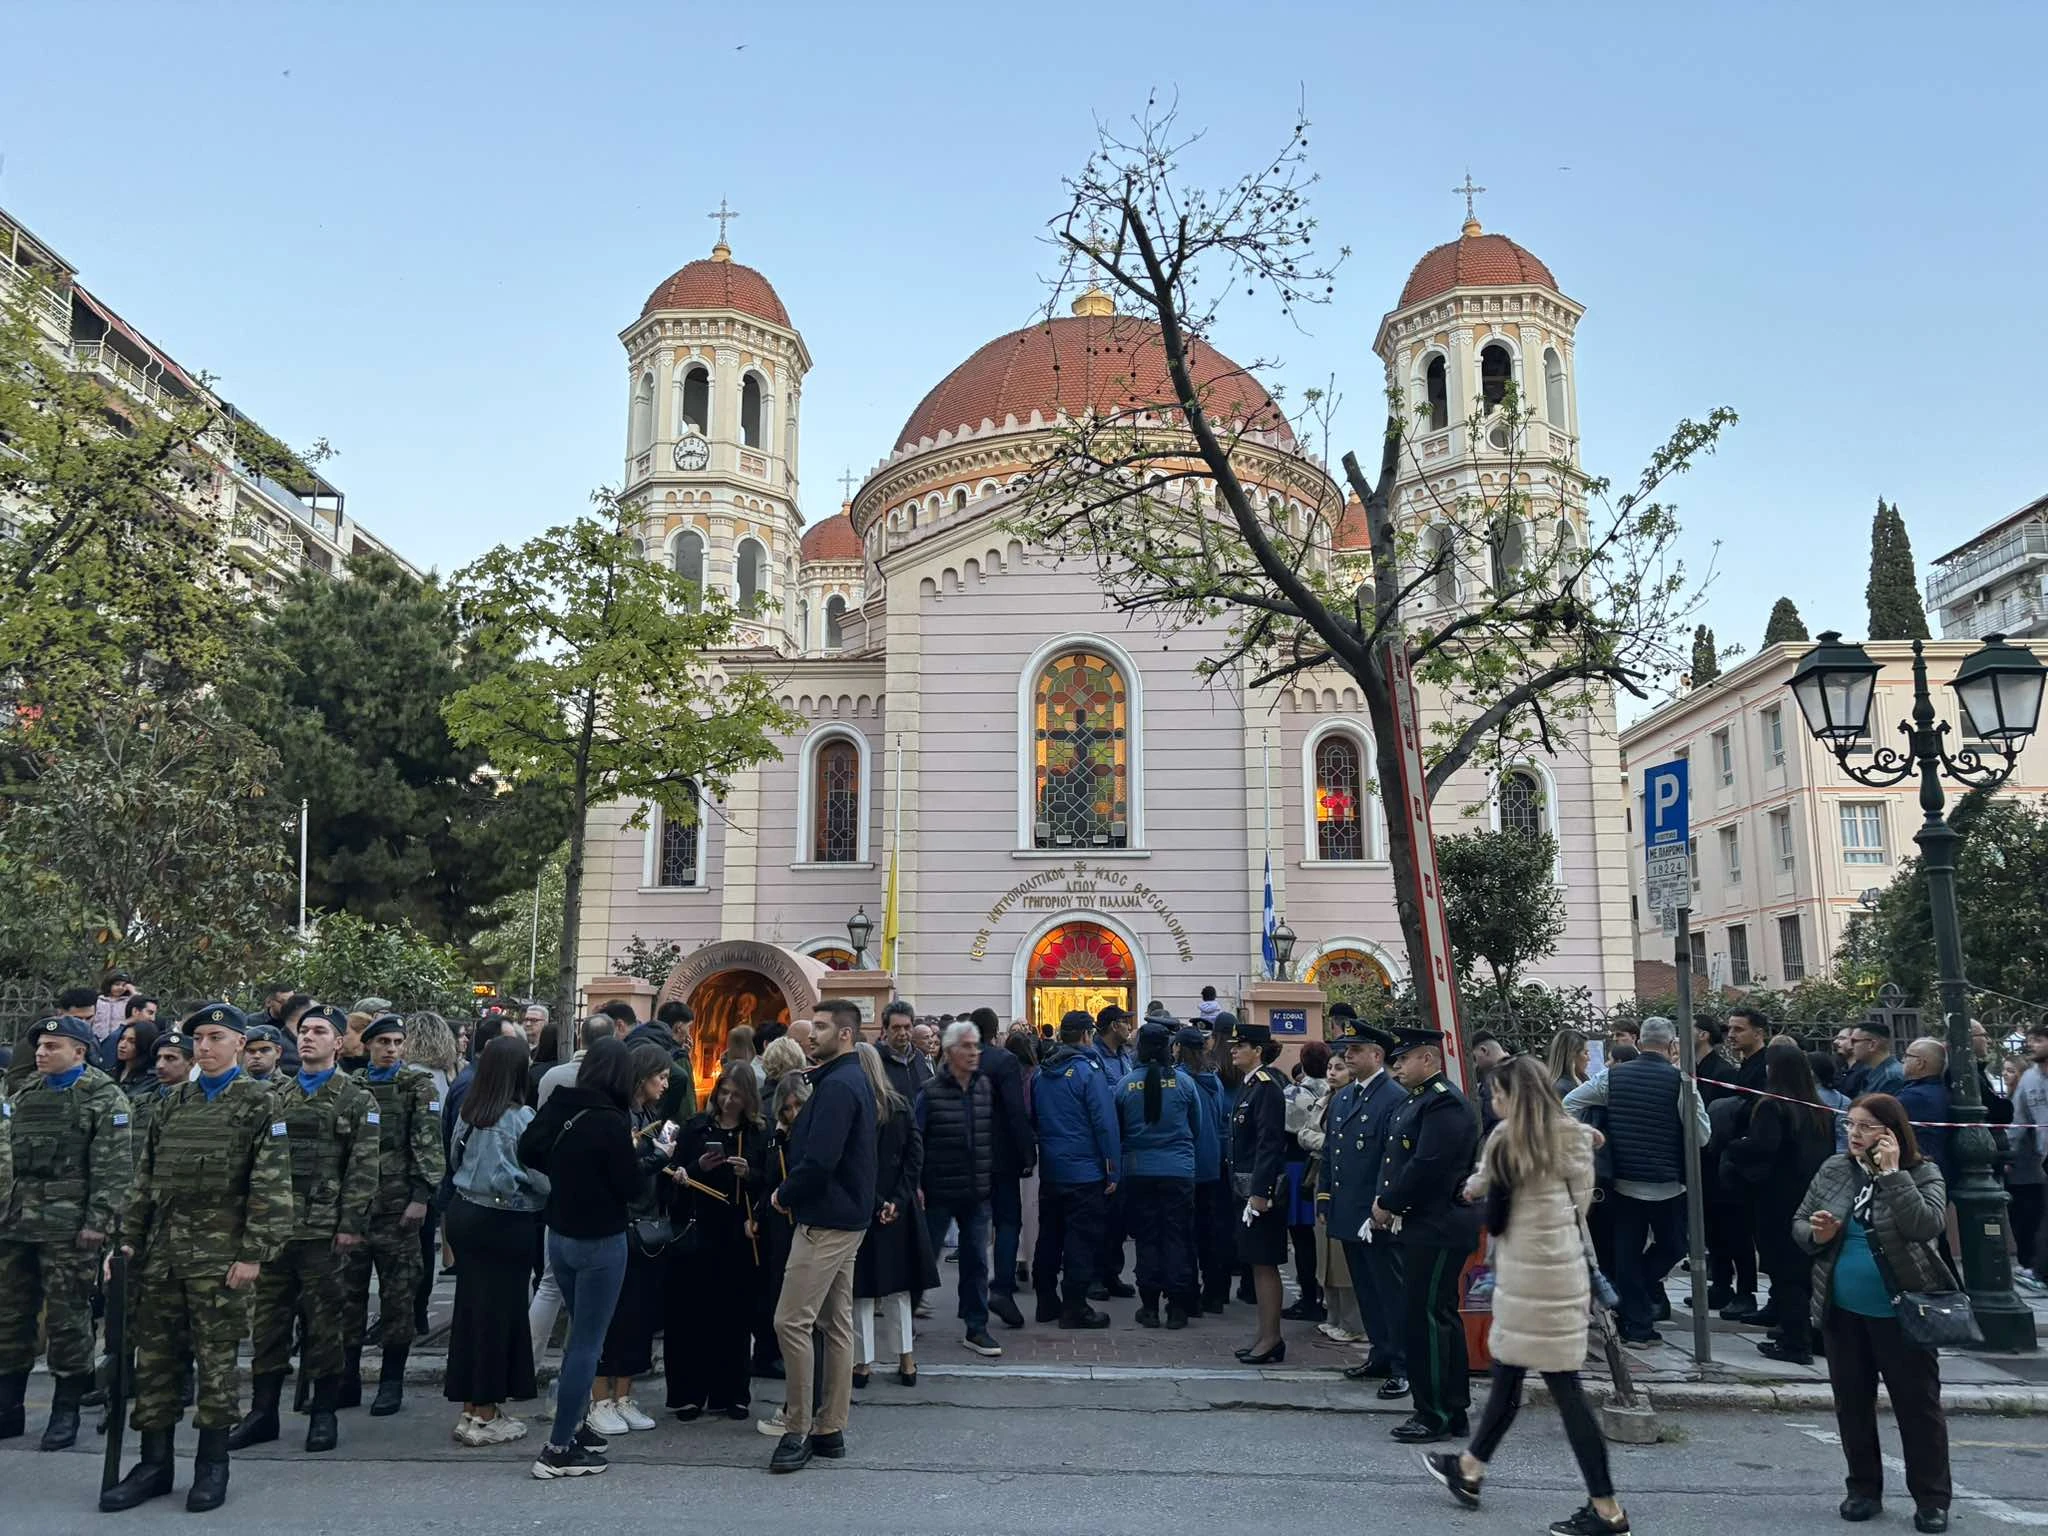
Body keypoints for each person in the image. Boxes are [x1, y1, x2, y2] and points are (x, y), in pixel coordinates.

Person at [1421, 1055, 1628, 1536]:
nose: (1493, 1103)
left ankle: (1607, 1509)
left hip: (1524, 1280)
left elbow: (1478, 1186)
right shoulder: (1574, 1137)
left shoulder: (1505, 1140)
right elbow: (1580, 1204)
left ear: (1513, 1096)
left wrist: (1475, 1189)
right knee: (1511, 1380)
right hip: (1564, 1274)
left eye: (1497, 1095)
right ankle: (1470, 1470)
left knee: (1562, 1393)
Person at [101, 1003, 292, 1514]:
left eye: (214, 1036)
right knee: (157, 1363)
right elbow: (144, 1178)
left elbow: (270, 1184)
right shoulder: (172, 1102)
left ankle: (212, 1466)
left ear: (237, 1043)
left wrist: (253, 1254)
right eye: (198, 1038)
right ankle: (153, 1466)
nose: (203, 1046)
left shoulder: (259, 1103)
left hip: (220, 1258)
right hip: (162, 1257)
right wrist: (126, 1240)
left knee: (216, 1365)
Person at [1794, 1094, 1955, 1533]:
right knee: (1852, 1403)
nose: (1854, 1135)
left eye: (1866, 1127)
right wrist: (1816, 1231)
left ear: (1892, 1132)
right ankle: (1863, 1489)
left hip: (1902, 1310)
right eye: (1851, 1125)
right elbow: (1801, 1222)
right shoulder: (1834, 1170)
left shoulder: (1923, 1173)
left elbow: (1925, 1226)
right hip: (1841, 1307)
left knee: (1917, 1406)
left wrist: (1892, 1175)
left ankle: (1932, 1499)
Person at [228, 1005, 379, 1456]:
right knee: (269, 1324)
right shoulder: (276, 1096)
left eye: (320, 1032)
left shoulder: (356, 1098)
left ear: (338, 1042)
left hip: (323, 1231)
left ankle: (323, 1413)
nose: (308, 1037)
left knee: (324, 1324)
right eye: (304, 1031)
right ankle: (263, 1413)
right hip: (276, 1231)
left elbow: (364, 1168)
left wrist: (351, 1224)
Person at [0, 1014, 131, 1450]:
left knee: (67, 1318)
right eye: (39, 1045)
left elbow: (113, 1168)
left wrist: (98, 1223)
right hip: (16, 1223)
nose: (40, 1052)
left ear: (79, 1051)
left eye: (52, 1046)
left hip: (69, 1229)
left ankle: (65, 1410)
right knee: (9, 1316)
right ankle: (9, 1408)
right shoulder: (25, 1094)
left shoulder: (103, 1096)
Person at [519, 1036, 640, 1480]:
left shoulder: (559, 1103)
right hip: (600, 1241)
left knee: (579, 1337)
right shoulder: (611, 1120)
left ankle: (574, 1425)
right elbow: (631, 1188)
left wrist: (562, 1173)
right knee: (587, 1344)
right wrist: (645, 1156)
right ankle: (557, 1449)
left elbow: (526, 1149)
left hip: (560, 1233)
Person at [766, 998, 876, 1474]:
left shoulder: (838, 1086)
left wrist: (784, 1194)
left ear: (846, 1035)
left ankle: (798, 1428)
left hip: (828, 1219)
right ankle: (830, 1427)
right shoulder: (845, 1080)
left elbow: (821, 1159)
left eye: (824, 1028)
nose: (812, 1035)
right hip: (844, 1215)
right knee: (835, 1324)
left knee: (791, 1322)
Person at [1565, 1018, 1710, 1344]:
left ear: (1639, 1043)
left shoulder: (1611, 1077)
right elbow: (1701, 1136)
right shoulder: (1681, 1082)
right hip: (1668, 1183)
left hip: (1624, 1182)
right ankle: (1637, 1308)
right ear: (1672, 1046)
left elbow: (1569, 1103)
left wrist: (1589, 1135)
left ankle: (1636, 1319)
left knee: (1626, 1254)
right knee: (1673, 1246)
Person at [1374, 1026, 1482, 1444]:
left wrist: (1389, 1203)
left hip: (1436, 1225)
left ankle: (1434, 1411)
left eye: (1403, 1059)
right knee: (1433, 1315)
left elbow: (1426, 1166)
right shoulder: (1419, 1101)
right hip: (1423, 1225)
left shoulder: (1443, 1105)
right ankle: (1451, 1408)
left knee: (1428, 1320)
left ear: (1429, 1060)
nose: (1396, 1067)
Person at [340, 1013, 445, 1416]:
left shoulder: (416, 1086)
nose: (390, 1049)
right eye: (383, 1042)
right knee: (348, 1298)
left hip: (398, 1208)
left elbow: (428, 1144)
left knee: (398, 1297)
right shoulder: (352, 1088)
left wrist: (421, 1196)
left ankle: (391, 1381)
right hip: (356, 1209)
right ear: (367, 1045)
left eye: (397, 1042)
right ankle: (347, 1378)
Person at [444, 1034, 545, 1447]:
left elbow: (453, 1160)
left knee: (471, 1313)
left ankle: (471, 1407)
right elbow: (539, 1175)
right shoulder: (520, 1119)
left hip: (466, 1212)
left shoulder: (470, 1111)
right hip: (507, 1219)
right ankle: (486, 1414)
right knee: (500, 1316)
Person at [1723, 1039, 1834, 1364]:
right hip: (1811, 1193)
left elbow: (1763, 1146)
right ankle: (1808, 1332)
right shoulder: (1819, 1108)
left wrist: (1735, 1146)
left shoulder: (1773, 1106)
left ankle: (1794, 1341)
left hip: (1777, 1196)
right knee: (1805, 1268)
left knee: (1784, 1270)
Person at [664, 1067, 766, 1421]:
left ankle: (731, 1392)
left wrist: (748, 1174)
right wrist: (696, 1168)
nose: (727, 1100)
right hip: (698, 1230)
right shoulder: (696, 1127)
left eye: (735, 1095)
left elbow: (768, 1179)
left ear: (747, 1098)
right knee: (692, 1316)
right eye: (723, 1093)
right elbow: (675, 1175)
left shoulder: (756, 1132)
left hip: (737, 1234)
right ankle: (689, 1394)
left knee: (734, 1316)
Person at [587, 1043, 674, 1437]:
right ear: (642, 1077)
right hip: (620, 1223)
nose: (666, 1084)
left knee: (637, 1315)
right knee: (613, 1315)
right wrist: (659, 1157)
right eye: (661, 1077)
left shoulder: (648, 1112)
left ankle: (624, 1394)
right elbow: (626, 1170)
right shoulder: (620, 1115)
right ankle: (599, 1398)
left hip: (646, 1223)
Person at [1326, 1017, 1410, 1395]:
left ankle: (1402, 1365)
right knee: (1366, 1289)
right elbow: (1333, 1152)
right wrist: (1327, 1195)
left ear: (1377, 1055)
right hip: (1349, 1208)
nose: (1348, 1055)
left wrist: (1385, 1205)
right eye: (1347, 1049)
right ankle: (1380, 1353)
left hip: (1375, 1212)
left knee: (1389, 1290)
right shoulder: (1345, 1095)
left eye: (1356, 1050)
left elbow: (1392, 1158)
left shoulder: (1392, 1097)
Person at [853, 1042, 937, 1388]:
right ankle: (906, 1359)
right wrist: (899, 1200)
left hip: (863, 1206)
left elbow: (853, 1166)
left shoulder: (856, 1110)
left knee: (861, 1289)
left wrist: (877, 1202)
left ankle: (862, 1363)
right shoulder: (900, 1106)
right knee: (899, 1288)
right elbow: (914, 1158)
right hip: (898, 1207)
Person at [916, 1020, 1002, 1357]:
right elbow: (916, 1139)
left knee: (977, 1260)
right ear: (951, 1052)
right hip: (938, 1190)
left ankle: (976, 1327)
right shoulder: (931, 1090)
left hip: (976, 1190)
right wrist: (917, 1183)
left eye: (976, 1045)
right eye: (966, 1046)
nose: (974, 1052)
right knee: (925, 1258)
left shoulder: (984, 1087)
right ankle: (904, 1320)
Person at [1031, 1010, 1119, 1329]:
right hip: (1084, 1171)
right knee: (1081, 1240)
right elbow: (1104, 1122)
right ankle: (1075, 1306)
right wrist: (1113, 1169)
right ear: (1086, 1036)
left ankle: (1045, 1300)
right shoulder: (1088, 1070)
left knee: (1050, 1236)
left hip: (1053, 1169)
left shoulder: (1042, 1073)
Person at [1115, 1019, 1201, 1329]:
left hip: (1138, 1171)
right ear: (1168, 1049)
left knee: (1147, 1239)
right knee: (1177, 1237)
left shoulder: (1125, 1085)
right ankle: (1177, 1308)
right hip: (1179, 1171)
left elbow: (1118, 1129)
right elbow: (1198, 1128)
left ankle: (1149, 1307)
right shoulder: (1184, 1083)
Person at [967, 1007, 1035, 1329]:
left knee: (974, 1228)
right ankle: (1002, 1289)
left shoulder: (955, 1058)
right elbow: (1015, 1111)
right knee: (1008, 1223)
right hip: (1000, 1158)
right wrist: (1027, 1154)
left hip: (965, 1158)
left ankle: (970, 1299)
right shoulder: (1003, 1061)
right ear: (995, 1031)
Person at [1228, 1017, 1290, 1363]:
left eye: (1241, 1046)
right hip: (1246, 1189)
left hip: (1260, 1192)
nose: (1234, 1051)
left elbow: (1269, 1143)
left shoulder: (1266, 1086)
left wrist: (1261, 1192)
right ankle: (1264, 1334)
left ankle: (1272, 1338)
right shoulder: (1250, 1085)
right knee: (1256, 1263)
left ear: (1258, 1051)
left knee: (1265, 1263)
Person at [750, 1070, 809, 1388]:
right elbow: (770, 1177)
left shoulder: (814, 1134)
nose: (793, 1113)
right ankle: (768, 1353)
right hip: (777, 1224)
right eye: (787, 1108)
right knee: (774, 1289)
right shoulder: (778, 1137)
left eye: (798, 1105)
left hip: (803, 1221)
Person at [1301, 1047, 1364, 1343]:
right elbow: (1304, 1132)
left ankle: (1353, 1323)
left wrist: (1317, 1139)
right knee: (1324, 1252)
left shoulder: (1352, 1100)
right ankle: (1333, 1315)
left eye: (1338, 1068)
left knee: (1342, 1258)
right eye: (1329, 1067)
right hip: (1320, 1178)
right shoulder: (1324, 1099)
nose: (1331, 1073)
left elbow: (1331, 1140)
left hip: (1342, 1180)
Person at [1176, 1025, 1231, 1312]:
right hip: (1214, 1161)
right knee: (1213, 1231)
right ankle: (1216, 1291)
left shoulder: (1181, 1080)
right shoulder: (1214, 1080)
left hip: (1188, 1163)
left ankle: (1190, 1293)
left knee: (1188, 1232)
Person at [1281, 1039, 1332, 1322]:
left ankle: (1308, 1296)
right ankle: (1325, 1296)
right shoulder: (1333, 1090)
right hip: (1324, 1168)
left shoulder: (1293, 1093)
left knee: (1301, 1238)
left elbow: (1284, 1127)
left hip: (1297, 1167)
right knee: (1319, 1237)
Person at [1090, 1002, 1137, 1299]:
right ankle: (1093, 1275)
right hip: (1100, 1145)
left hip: (1124, 1142)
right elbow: (1099, 1096)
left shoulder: (1125, 1057)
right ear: (1112, 1026)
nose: (1129, 1026)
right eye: (1124, 1021)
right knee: (1098, 1215)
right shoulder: (1093, 1057)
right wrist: (1124, 1089)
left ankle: (1112, 1273)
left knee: (1119, 1216)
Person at [2006, 1024, 2048, 1283]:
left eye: (2039, 1040)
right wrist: (2008, 1156)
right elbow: (2018, 1121)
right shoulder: (2029, 1080)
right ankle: (2041, 1271)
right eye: (2030, 1040)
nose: (2031, 1044)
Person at [1896, 1038, 1955, 1189]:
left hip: (1919, 1173)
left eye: (1907, 1055)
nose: (1903, 1060)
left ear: (1920, 1063)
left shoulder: (1915, 1097)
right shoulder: (1939, 1091)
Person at [879, 1001, 934, 1104]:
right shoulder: (876, 1058)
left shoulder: (918, 1057)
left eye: (907, 1027)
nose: (902, 1033)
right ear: (885, 1029)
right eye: (896, 1028)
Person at [1843, 1019, 1905, 1099]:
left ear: (1872, 1045)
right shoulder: (1870, 1072)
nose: (1850, 1047)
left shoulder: (1891, 1077)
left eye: (1854, 1041)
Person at [1809, 1051, 1853, 1154]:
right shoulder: (1844, 1100)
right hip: (1840, 1153)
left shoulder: (1806, 1098)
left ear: (1811, 1072)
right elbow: (1844, 1135)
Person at [1468, 1031, 1509, 1133]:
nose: (1473, 1066)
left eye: (1473, 1059)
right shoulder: (1523, 1071)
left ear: (1483, 1050)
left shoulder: (1500, 1078)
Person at [1547, 1028, 1591, 1100]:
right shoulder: (1562, 1088)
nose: (1589, 1059)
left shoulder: (1583, 1079)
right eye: (1585, 1053)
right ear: (1572, 1055)